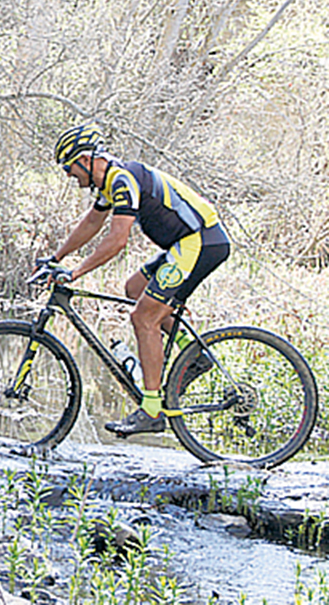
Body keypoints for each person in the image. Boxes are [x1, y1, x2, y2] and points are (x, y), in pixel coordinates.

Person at [43, 123, 230, 436]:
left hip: (201, 241)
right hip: (185, 244)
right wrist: (56, 258)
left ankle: (152, 411)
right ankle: (192, 353)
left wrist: (75, 273)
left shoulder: (122, 180)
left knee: (144, 318)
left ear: (86, 160)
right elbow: (92, 222)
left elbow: (118, 241)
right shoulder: (110, 183)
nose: (68, 175)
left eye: (68, 167)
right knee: (134, 288)